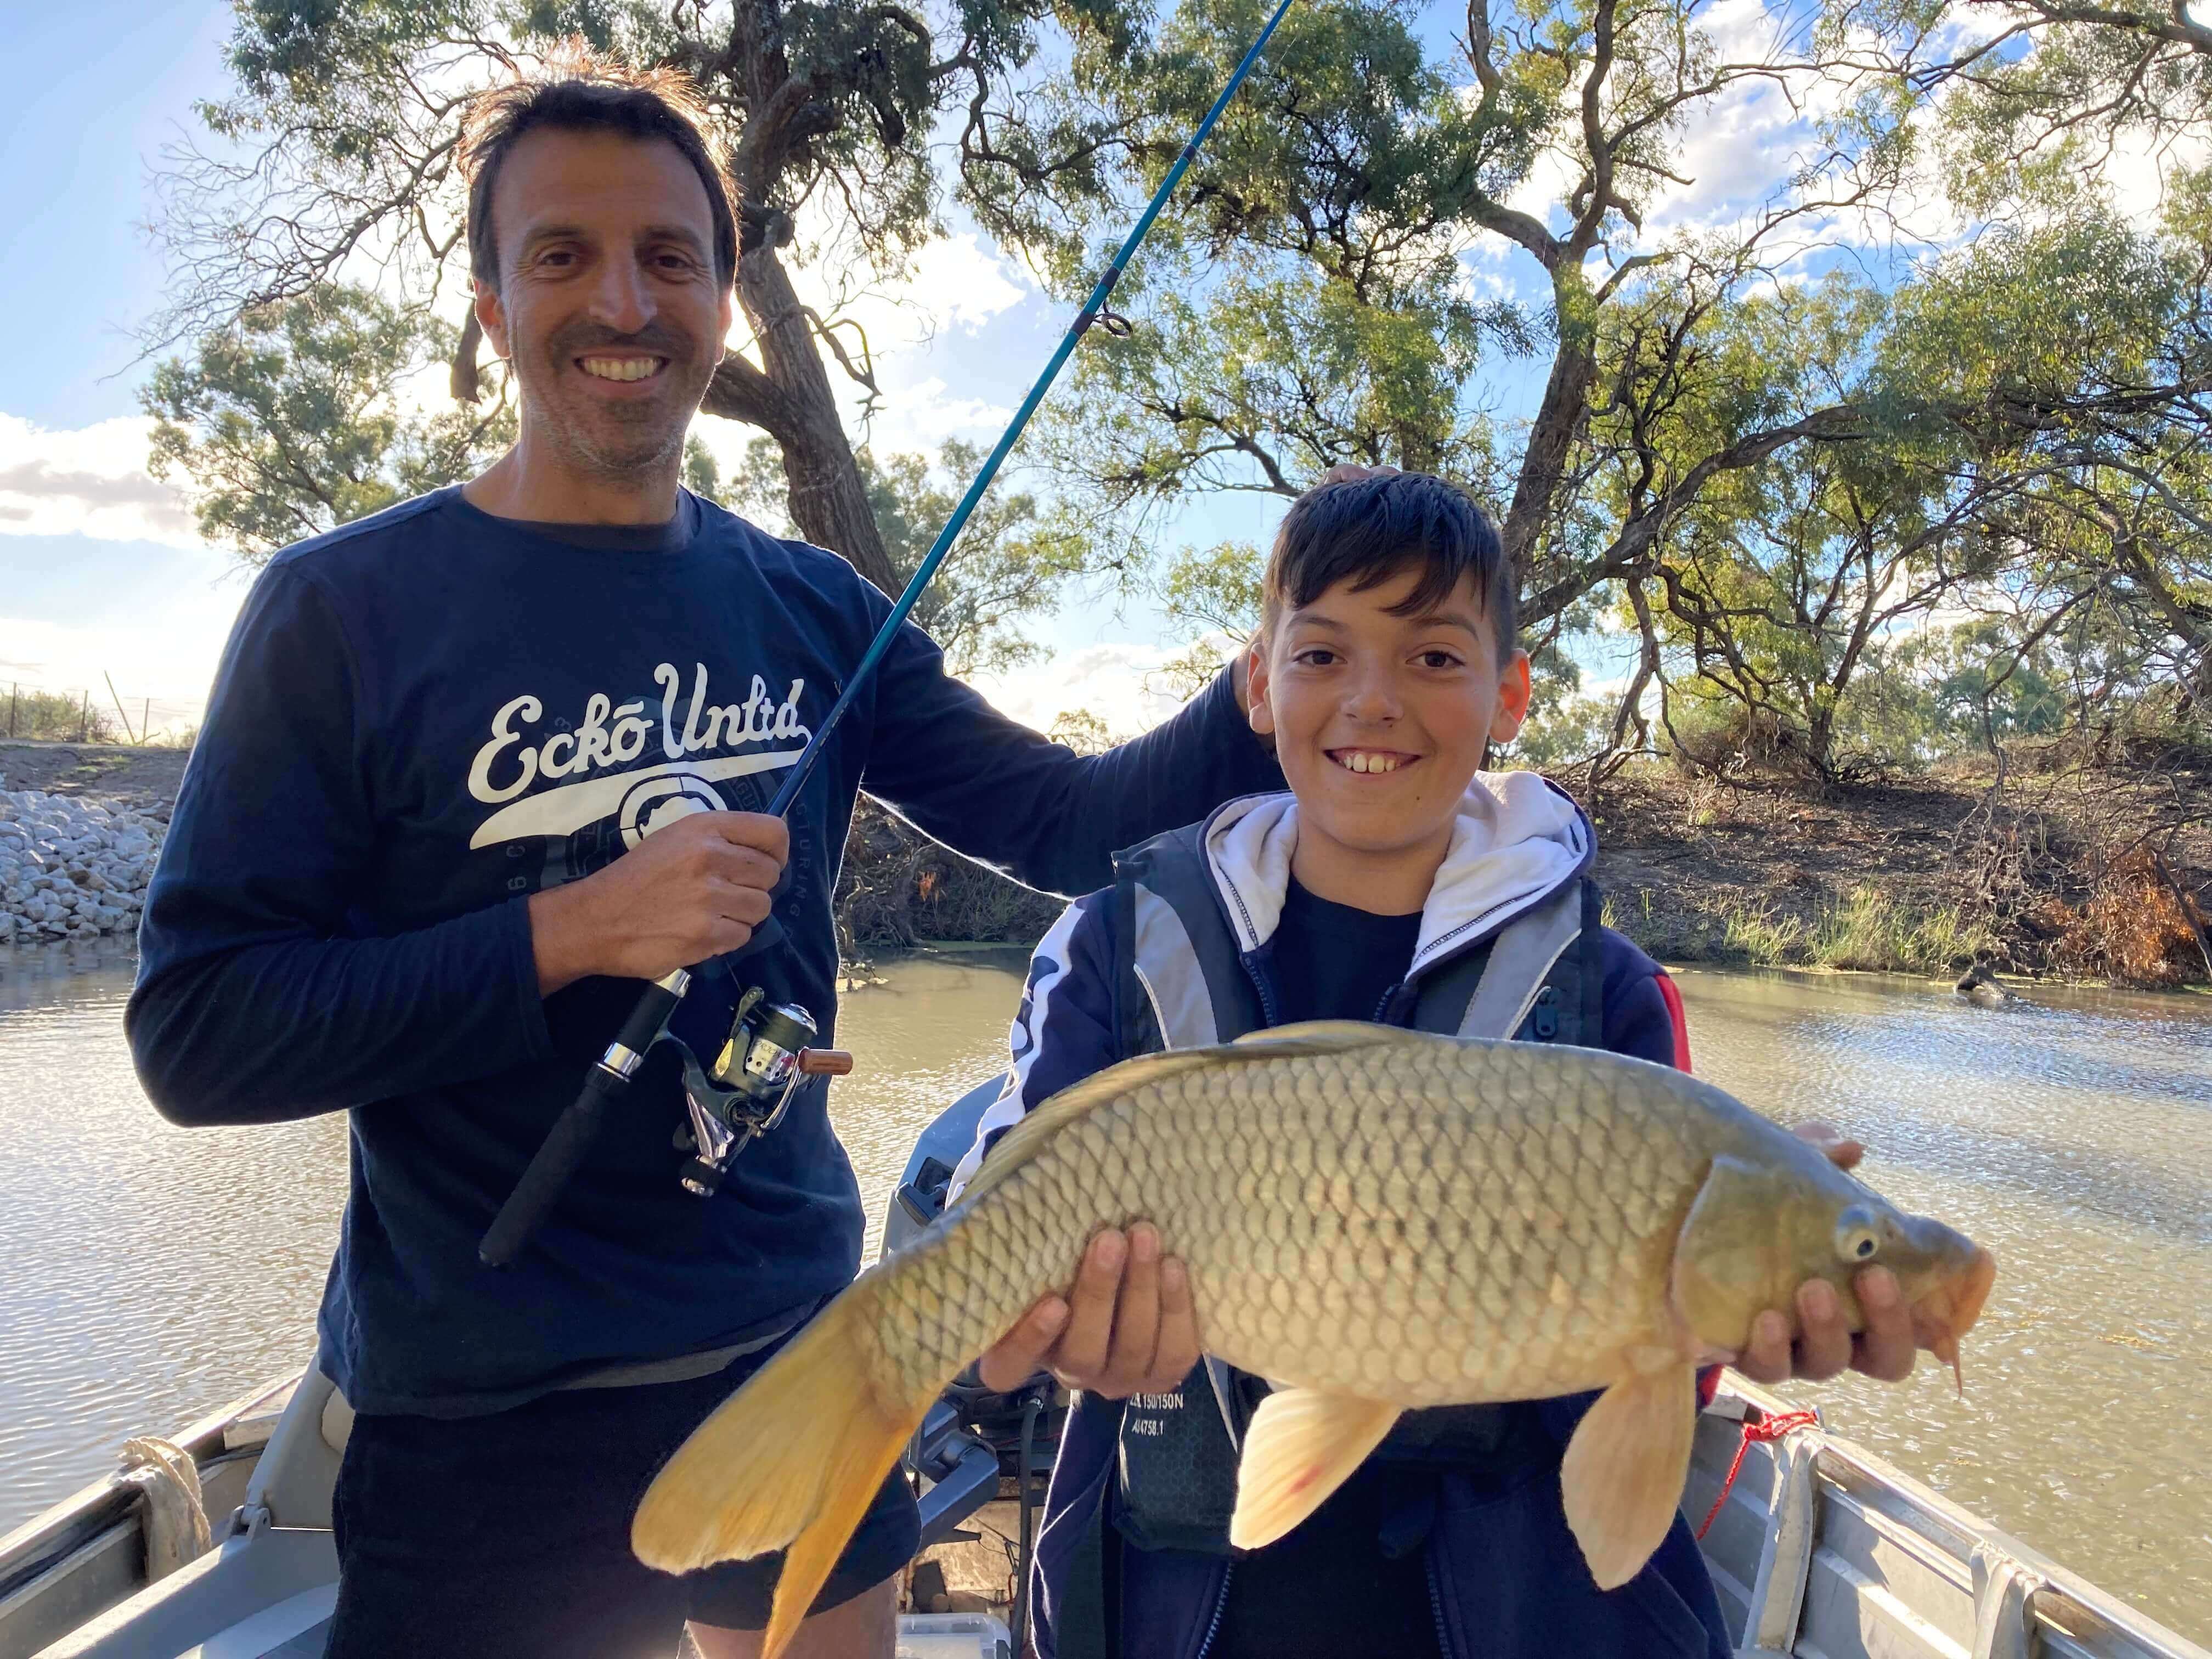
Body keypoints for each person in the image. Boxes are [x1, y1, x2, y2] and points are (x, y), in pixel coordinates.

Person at [123, 49, 1289, 1659]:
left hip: (796, 1348)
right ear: (489, 309)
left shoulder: (812, 606)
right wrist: (566, 933)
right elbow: (197, 1034)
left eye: (672, 257)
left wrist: (1281, 681)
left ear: (726, 302)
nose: (625, 300)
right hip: (472, 1406)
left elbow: (1069, 826)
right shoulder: (341, 613)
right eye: (564, 256)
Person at [956, 470, 1953, 1659]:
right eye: (1322, 656)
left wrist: (1751, 1315)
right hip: (1172, 1612)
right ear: (1258, 686)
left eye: (1433, 658)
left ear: (1511, 695)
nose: (1372, 702)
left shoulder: (1613, 994)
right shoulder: (1111, 946)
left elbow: (1643, 1407)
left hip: (1517, 1614)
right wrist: (1015, 1333)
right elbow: (980, 1260)